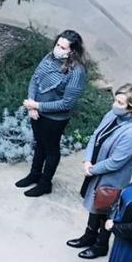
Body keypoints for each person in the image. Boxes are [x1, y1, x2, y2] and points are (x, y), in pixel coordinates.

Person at [68, 83, 132, 259]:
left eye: (120, 102)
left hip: (111, 179)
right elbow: (96, 135)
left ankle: (100, 245)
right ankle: (89, 236)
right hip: (95, 171)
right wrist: (87, 160)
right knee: (94, 206)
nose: (115, 105)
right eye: (116, 100)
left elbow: (116, 162)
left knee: (104, 210)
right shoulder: (113, 115)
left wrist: (92, 169)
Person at [17, 30, 88, 197]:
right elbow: (35, 78)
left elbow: (67, 103)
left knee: (51, 149)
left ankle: (45, 183)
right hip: (37, 112)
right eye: (57, 45)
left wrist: (37, 105)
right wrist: (32, 106)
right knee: (39, 144)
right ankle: (34, 174)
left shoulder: (77, 72)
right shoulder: (50, 57)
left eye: (63, 47)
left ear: (73, 51)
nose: (58, 49)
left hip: (55, 119)